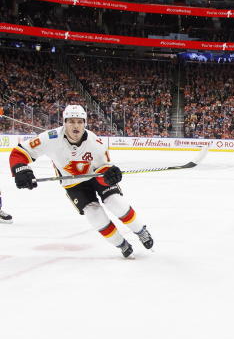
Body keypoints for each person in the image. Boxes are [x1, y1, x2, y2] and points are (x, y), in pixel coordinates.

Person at [8, 105, 153, 258]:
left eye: (79, 121)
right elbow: (19, 153)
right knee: (93, 213)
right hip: (73, 183)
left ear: (85, 123)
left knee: (115, 202)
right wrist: (20, 170)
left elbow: (104, 172)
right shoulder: (50, 138)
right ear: (64, 122)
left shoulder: (96, 143)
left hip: (95, 176)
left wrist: (109, 177)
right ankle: (121, 244)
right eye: (71, 122)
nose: (75, 126)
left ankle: (140, 231)